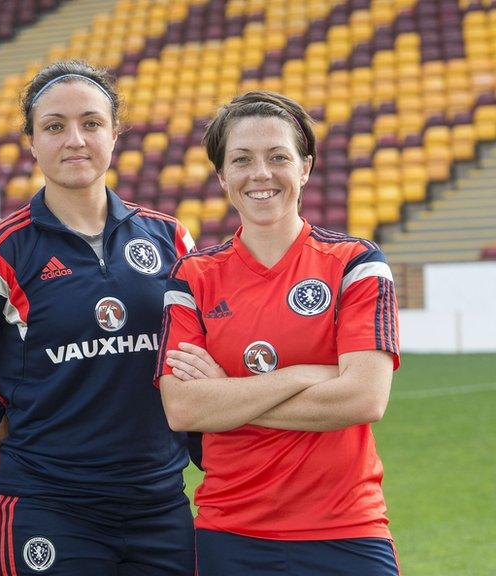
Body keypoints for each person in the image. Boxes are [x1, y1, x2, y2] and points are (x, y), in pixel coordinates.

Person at [0, 60, 197, 576]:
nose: (75, 139)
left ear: (116, 133)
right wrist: (34, 440)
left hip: (160, 503)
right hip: (49, 505)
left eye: (91, 123)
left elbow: (198, 359)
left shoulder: (170, 239)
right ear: (30, 141)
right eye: (54, 126)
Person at [156, 90, 400, 575]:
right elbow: (184, 408)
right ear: (223, 176)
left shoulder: (356, 264)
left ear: (305, 167)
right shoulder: (192, 277)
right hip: (231, 534)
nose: (260, 174)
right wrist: (306, 375)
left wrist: (227, 395)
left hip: (347, 530)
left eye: (278, 157)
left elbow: (363, 399)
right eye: (242, 159)